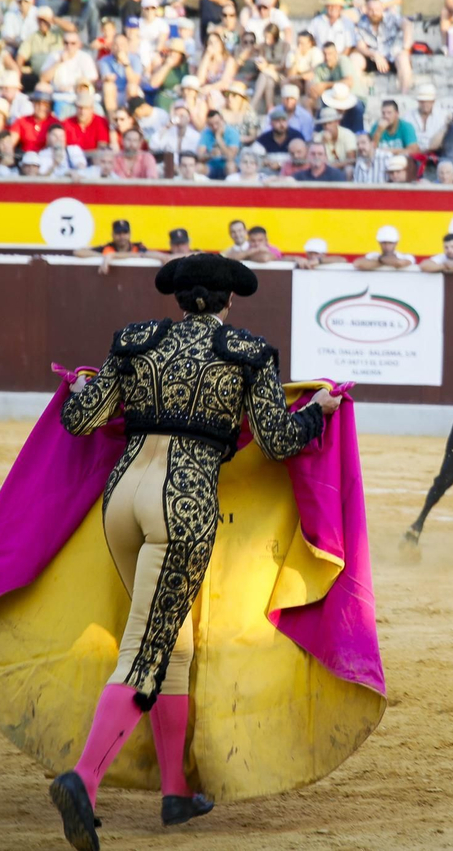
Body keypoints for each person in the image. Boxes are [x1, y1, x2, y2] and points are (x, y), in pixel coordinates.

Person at [49, 255, 339, 848]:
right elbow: (280, 440)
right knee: (147, 649)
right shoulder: (248, 352)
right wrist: (319, 412)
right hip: (181, 505)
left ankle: (177, 793)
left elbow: (81, 421)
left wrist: (78, 386)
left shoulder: (134, 340)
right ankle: (84, 777)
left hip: (122, 501)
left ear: (179, 299)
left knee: (169, 645)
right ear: (231, 299)